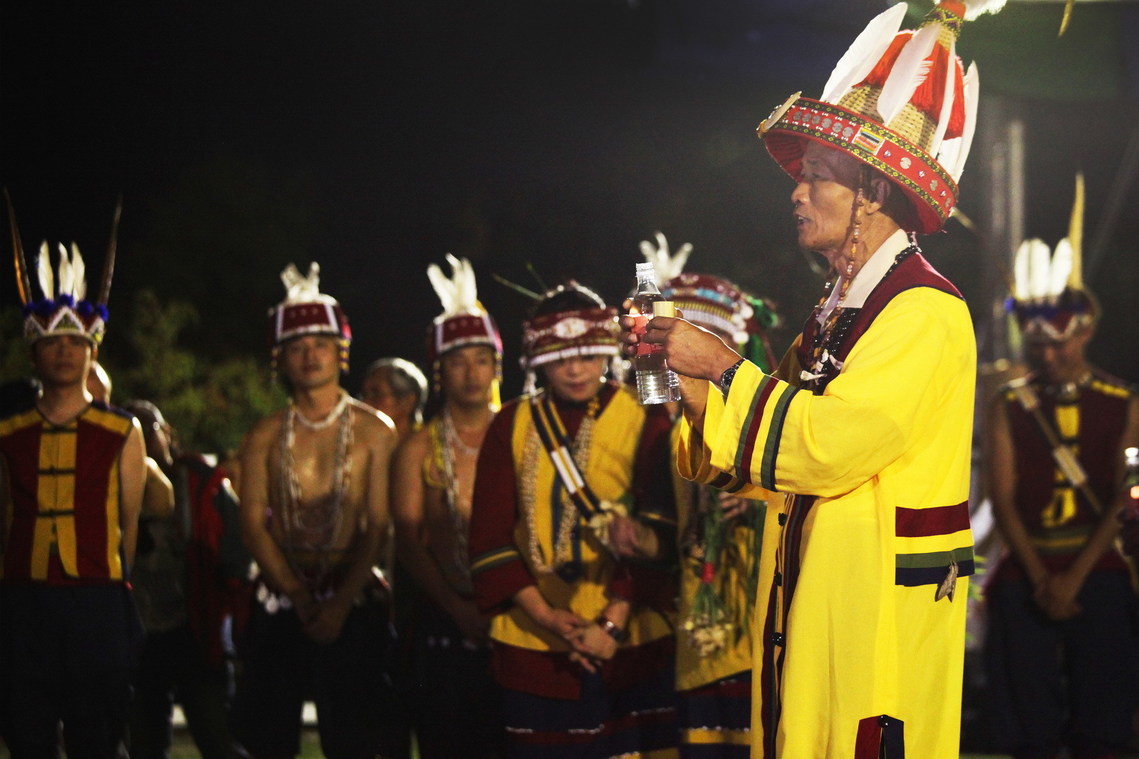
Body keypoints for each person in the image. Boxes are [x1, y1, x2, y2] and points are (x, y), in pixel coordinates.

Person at [622, 2, 1002, 755]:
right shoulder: (839, 307)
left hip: (874, 618)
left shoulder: (923, 310)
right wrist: (687, 385)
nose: (795, 192)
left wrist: (723, 365)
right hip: (824, 590)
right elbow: (768, 439)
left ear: (870, 191)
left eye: (817, 176)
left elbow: (826, 444)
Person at [469, 281, 679, 758]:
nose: (576, 368)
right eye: (562, 358)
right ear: (539, 360)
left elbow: (663, 531)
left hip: (631, 643)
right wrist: (546, 617)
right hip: (534, 638)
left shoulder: (645, 416)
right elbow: (488, 536)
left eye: (587, 354)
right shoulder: (511, 422)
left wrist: (611, 623)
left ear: (606, 350)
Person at [983, 185, 1139, 758]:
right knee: (1026, 718)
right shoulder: (1010, 403)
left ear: (1086, 331)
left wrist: (1072, 579)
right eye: (1038, 345)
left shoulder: (1124, 402)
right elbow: (1001, 498)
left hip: (1096, 569)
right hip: (1027, 569)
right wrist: (1041, 577)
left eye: (1060, 343)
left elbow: (1126, 493)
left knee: (1103, 715)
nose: (1048, 355)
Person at [230, 262, 402, 759]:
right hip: (283, 599)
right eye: (297, 347)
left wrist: (341, 601)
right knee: (269, 738)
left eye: (320, 345)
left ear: (340, 352)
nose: (309, 356)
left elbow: (377, 525)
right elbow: (253, 525)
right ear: (279, 358)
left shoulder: (375, 431)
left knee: (356, 737)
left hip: (354, 595)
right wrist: (299, 597)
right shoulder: (264, 434)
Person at [0, 209, 148, 757]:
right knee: (27, 730)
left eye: (75, 342)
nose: (64, 351)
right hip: (23, 602)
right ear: (34, 351)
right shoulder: (8, 433)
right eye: (53, 342)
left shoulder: (121, 430)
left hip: (97, 603)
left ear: (92, 350)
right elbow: (5, 519)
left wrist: (107, 590)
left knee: (96, 735)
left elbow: (127, 525)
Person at [638, 233, 782, 757]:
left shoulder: (768, 417)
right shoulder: (657, 428)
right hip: (698, 628)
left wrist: (755, 504)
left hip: (768, 616)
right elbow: (661, 536)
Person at [390, 254, 505, 758]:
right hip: (443, 616)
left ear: (497, 365)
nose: (471, 372)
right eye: (458, 360)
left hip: (517, 614)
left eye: (481, 359)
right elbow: (409, 539)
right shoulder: (418, 447)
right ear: (440, 371)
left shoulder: (520, 432)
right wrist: (458, 608)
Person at [124, 400, 250, 759]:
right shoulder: (110, 487)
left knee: (217, 733)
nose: (144, 438)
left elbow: (236, 546)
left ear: (167, 434)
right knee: (144, 741)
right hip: (140, 632)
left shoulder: (201, 483)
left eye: (151, 429)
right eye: (133, 430)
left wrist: (231, 607)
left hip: (196, 627)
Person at [360, 356, 428, 442]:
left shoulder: (429, 448)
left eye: (376, 394)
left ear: (407, 401)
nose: (365, 403)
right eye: (364, 395)